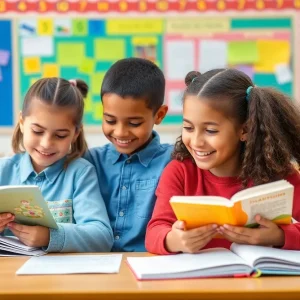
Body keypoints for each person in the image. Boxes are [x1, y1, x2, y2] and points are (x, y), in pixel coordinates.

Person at [145, 68, 300, 254]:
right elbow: (154, 232)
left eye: (210, 131)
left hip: (261, 279)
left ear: (245, 131)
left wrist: (280, 236)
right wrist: (174, 240)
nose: (196, 142)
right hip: (198, 279)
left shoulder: (279, 174)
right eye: (188, 127)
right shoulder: (179, 172)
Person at [0, 78, 113, 252]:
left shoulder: (80, 173)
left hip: (61, 276)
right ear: (22, 123)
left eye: (60, 135)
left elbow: (102, 236)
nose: (46, 144)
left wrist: (50, 236)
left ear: (75, 134)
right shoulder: (3, 170)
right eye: (37, 131)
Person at [84, 58, 172, 251]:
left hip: (150, 264)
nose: (121, 132)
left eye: (134, 123)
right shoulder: (90, 161)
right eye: (110, 120)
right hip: (97, 264)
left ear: (159, 115)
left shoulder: (173, 161)